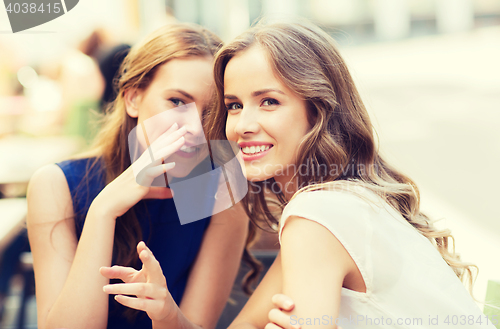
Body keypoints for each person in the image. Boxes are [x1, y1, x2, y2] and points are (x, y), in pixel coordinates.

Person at [202, 21, 494, 328]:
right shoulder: (341, 203)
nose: (241, 125)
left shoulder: (316, 216)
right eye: (234, 105)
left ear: (318, 109)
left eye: (269, 102)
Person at [27, 23, 249, 329]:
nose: (195, 129)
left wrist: (167, 314)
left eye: (212, 113)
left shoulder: (223, 189)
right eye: (177, 102)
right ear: (133, 99)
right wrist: (103, 211)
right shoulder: (56, 186)